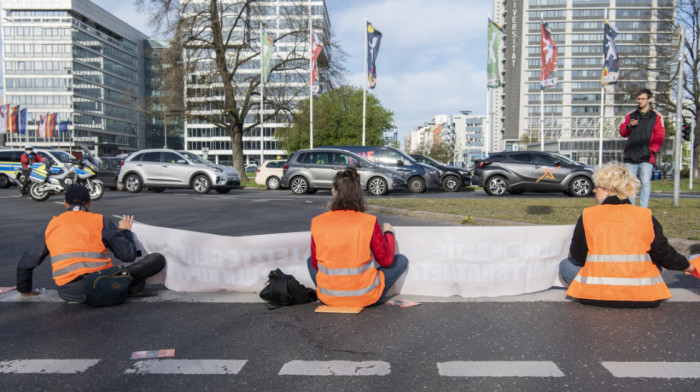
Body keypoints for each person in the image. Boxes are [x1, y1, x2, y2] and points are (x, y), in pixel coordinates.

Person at [559, 162, 695, 307]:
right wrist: (688, 267)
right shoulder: (645, 215)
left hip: (596, 293)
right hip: (644, 295)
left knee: (565, 265)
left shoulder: (589, 215)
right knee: (654, 263)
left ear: (608, 190)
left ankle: (584, 291)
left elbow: (579, 256)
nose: (594, 191)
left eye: (598, 187)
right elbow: (664, 253)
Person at [16, 185, 166, 303]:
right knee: (156, 259)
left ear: (65, 203)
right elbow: (128, 256)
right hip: (107, 282)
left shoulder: (51, 225)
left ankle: (126, 285)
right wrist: (125, 231)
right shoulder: (100, 221)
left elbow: (25, 264)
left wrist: (25, 290)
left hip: (69, 292)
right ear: (89, 203)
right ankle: (127, 284)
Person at [307, 167, 408, 307]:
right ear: (359, 195)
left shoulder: (317, 222)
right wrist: (389, 234)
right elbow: (387, 261)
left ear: (335, 193)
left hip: (328, 297)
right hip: (365, 296)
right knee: (401, 260)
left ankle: (331, 292)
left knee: (309, 260)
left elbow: (314, 263)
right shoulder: (368, 221)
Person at [619, 88, 665, 208]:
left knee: (645, 182)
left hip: (646, 156)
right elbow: (622, 132)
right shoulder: (631, 115)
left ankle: (643, 208)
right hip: (631, 154)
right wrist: (629, 125)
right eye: (638, 99)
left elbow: (660, 136)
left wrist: (652, 150)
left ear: (649, 99)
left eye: (643, 99)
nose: (640, 101)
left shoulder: (657, 116)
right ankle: (631, 208)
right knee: (629, 183)